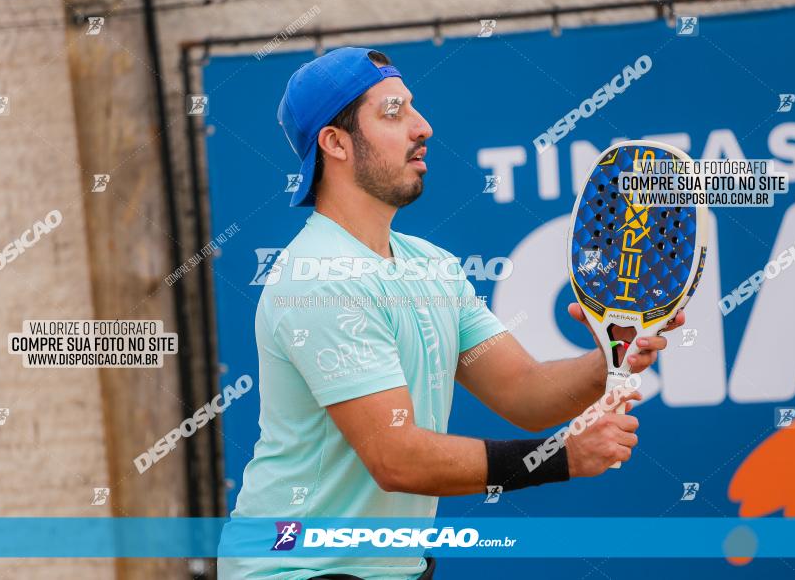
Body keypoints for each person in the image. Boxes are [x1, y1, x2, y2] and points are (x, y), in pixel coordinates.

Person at [218, 47, 683, 580]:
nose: (424, 126)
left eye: (414, 107)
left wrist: (612, 351)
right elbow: (397, 458)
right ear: (335, 142)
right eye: (393, 112)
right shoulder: (321, 279)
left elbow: (525, 393)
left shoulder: (431, 267)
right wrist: (561, 456)